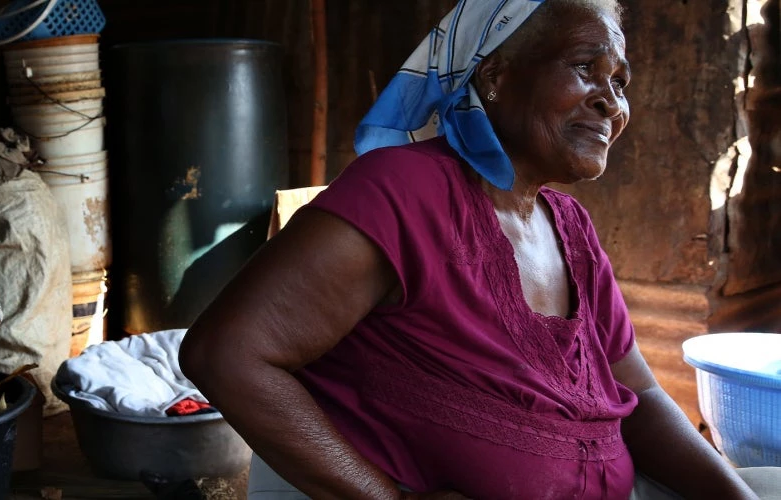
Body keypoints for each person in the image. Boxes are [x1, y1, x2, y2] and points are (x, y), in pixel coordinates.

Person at [178, 0, 781, 499]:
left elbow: (643, 397)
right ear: (495, 77)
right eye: (586, 68)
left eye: (619, 82)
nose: (611, 101)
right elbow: (229, 354)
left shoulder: (569, 226)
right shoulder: (405, 191)